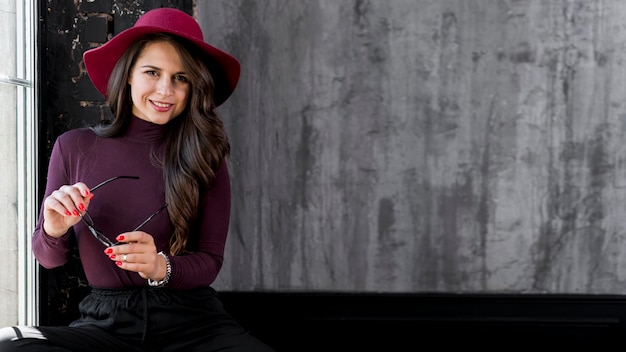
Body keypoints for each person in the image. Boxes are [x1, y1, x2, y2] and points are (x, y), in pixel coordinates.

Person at [0, 7, 275, 352]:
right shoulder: (74, 147)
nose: (165, 90)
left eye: (181, 78)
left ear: (193, 87)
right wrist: (54, 229)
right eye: (152, 72)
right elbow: (48, 258)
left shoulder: (207, 156)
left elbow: (210, 261)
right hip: (106, 326)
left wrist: (162, 266)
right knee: (10, 344)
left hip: (195, 325)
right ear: (128, 74)